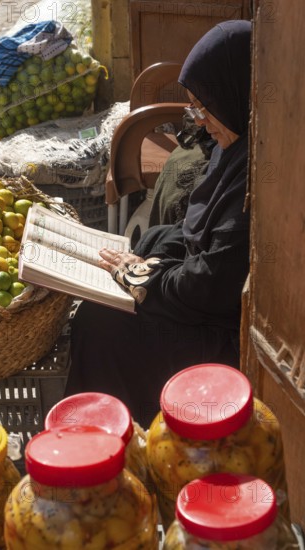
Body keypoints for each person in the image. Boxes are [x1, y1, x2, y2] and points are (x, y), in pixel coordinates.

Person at [65, 20, 252, 428]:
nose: (199, 121)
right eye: (193, 108)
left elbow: (208, 286)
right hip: (203, 301)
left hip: (225, 338)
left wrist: (141, 277)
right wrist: (151, 252)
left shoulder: (256, 180)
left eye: (205, 108)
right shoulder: (232, 147)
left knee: (101, 324)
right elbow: (193, 233)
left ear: (236, 94)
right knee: (149, 243)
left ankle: (110, 441)